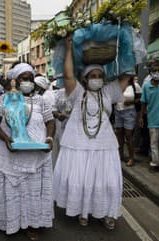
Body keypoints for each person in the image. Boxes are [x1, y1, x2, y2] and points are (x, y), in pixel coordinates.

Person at [53, 38, 130, 230]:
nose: (97, 78)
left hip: (104, 146)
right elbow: (68, 74)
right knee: (81, 181)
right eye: (92, 75)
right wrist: (69, 48)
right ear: (86, 79)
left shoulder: (109, 92)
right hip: (79, 144)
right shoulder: (78, 92)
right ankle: (83, 211)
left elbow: (127, 76)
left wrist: (128, 46)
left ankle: (107, 212)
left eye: (100, 75)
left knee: (107, 181)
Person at [0, 63, 55, 240]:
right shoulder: (5, 99)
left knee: (32, 190)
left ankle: (32, 224)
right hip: (9, 153)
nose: (28, 82)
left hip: (36, 155)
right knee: (13, 190)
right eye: (24, 79)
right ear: (15, 80)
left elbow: (50, 122)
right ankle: (11, 222)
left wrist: (49, 138)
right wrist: (6, 138)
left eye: (31, 79)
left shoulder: (41, 100)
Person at [139, 62, 159, 177]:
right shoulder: (147, 86)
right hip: (152, 117)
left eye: (158, 70)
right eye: (154, 71)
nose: (156, 73)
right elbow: (143, 102)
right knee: (154, 143)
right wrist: (141, 117)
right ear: (150, 72)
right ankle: (155, 163)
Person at [114, 76, 142, 167]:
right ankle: (120, 155)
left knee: (129, 135)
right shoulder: (117, 85)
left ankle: (131, 158)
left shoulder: (135, 86)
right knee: (119, 135)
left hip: (129, 112)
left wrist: (131, 102)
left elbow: (140, 98)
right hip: (118, 111)